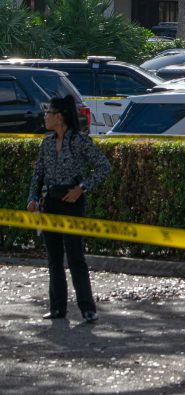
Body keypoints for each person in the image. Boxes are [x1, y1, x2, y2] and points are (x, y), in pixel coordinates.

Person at [26, 95, 112, 322]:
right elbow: (38, 175)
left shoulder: (79, 141)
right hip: (50, 203)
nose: (45, 117)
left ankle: (87, 308)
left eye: (49, 113)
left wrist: (81, 188)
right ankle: (57, 308)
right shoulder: (46, 143)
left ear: (60, 117)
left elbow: (104, 167)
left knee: (76, 258)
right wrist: (33, 198)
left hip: (72, 203)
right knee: (54, 259)